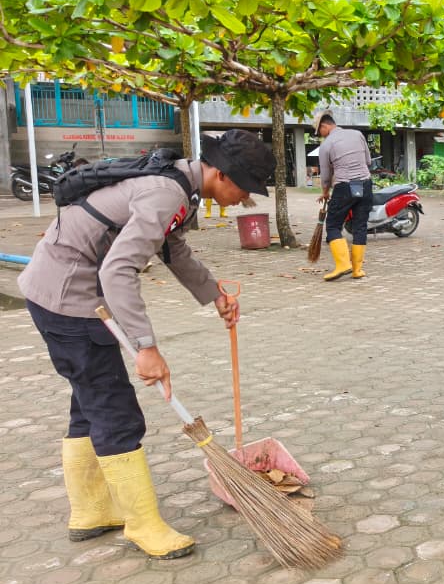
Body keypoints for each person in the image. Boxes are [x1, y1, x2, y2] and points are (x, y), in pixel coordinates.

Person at [19, 129, 275, 559]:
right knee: (115, 412)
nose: (242, 201)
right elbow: (117, 271)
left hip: (62, 296)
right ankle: (142, 525)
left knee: (89, 403)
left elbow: (172, 249)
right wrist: (146, 348)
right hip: (69, 301)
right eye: (245, 190)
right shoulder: (165, 192)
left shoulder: (179, 186)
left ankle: (91, 511)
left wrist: (215, 294)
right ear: (222, 174)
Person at [315, 110, 373, 281]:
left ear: (325, 126)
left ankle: (343, 265)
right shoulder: (357, 134)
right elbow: (368, 161)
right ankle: (357, 270)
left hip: (344, 187)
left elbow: (325, 176)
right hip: (365, 184)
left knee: (333, 225)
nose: (320, 135)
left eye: (319, 132)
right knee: (360, 226)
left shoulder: (326, 145)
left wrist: (325, 193)